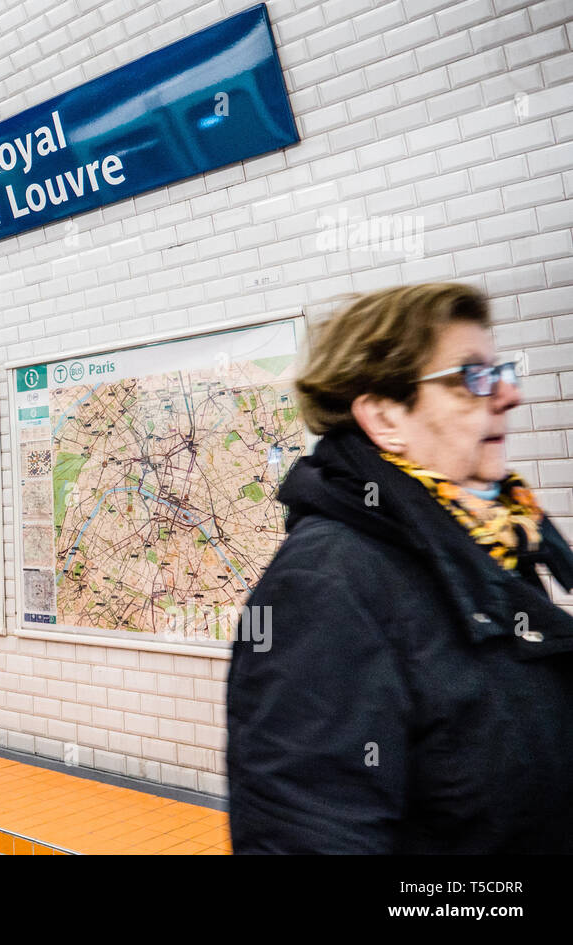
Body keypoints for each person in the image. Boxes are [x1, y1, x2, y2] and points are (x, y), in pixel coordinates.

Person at [227, 282, 573, 854]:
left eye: (501, 371)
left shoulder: (490, 546)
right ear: (385, 417)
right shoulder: (323, 590)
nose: (508, 394)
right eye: (470, 377)